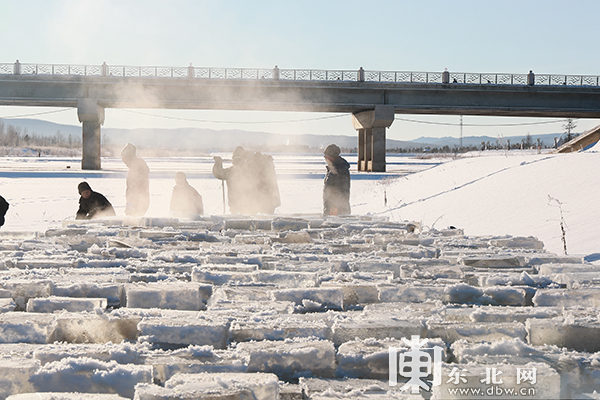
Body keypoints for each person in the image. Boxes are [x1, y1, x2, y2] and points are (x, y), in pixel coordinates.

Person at [212, 146, 280, 214]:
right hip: (241, 207)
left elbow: (219, 173)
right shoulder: (234, 170)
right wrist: (218, 164)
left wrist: (218, 163)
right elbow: (219, 173)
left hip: (247, 206)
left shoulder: (252, 169)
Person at [120, 143, 150, 217]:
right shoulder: (134, 167)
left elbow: (137, 187)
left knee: (134, 222)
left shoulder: (137, 167)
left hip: (138, 201)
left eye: (124, 158)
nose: (123, 161)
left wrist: (132, 202)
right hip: (134, 200)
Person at [322, 144, 351, 217]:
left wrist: (335, 207)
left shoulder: (340, 170)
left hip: (338, 211)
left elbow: (341, 190)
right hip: (331, 208)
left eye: (326, 155)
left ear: (331, 157)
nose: (324, 157)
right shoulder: (333, 168)